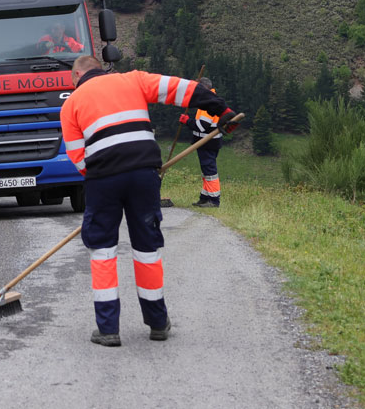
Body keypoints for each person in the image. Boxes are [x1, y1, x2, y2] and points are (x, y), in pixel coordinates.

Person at [60, 55, 238, 346]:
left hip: (103, 179)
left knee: (103, 251)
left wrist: (100, 182)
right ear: (100, 69)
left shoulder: (71, 103)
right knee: (146, 248)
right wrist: (223, 111)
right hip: (144, 174)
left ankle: (108, 329)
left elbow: (78, 155)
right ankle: (157, 323)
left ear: (76, 76)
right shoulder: (133, 79)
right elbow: (184, 89)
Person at [178, 77, 223, 207]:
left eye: (197, 89)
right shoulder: (209, 100)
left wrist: (187, 121)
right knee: (206, 171)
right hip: (206, 142)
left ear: (203, 88)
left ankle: (213, 200)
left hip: (208, 142)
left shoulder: (210, 103)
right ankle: (205, 197)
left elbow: (202, 126)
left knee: (210, 171)